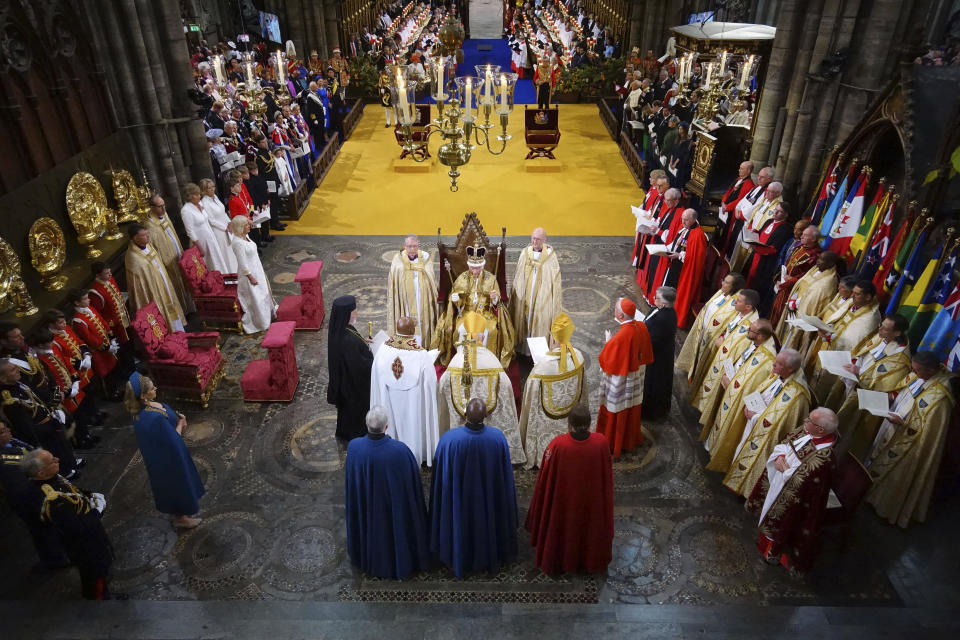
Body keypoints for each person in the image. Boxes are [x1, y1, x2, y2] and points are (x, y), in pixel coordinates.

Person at [429, 398, 518, 577]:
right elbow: (504, 478)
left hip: (458, 501)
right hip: (487, 501)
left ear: (464, 415)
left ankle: (456, 552)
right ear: (485, 415)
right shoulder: (497, 438)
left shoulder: (449, 440)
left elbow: (440, 477)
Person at [865, 351, 954, 528]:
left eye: (917, 370)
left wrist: (904, 424)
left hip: (909, 446)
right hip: (892, 425)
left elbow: (928, 432)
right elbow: (903, 392)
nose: (913, 373)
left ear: (930, 371)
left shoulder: (940, 400)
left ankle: (885, 507)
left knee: (897, 475)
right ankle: (867, 491)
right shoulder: (919, 374)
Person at [744, 408, 839, 574]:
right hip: (779, 482)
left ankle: (772, 552)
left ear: (820, 430)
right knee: (769, 510)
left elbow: (802, 482)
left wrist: (785, 471)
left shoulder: (825, 459)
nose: (804, 421)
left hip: (795, 499)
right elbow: (785, 444)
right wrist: (780, 458)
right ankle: (763, 541)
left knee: (781, 522)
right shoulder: (807, 431)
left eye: (809, 420)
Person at [20, 448, 121, 599]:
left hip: (85, 534)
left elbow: (72, 491)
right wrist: (97, 511)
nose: (57, 459)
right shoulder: (52, 499)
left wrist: (87, 495)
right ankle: (100, 599)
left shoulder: (51, 478)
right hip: (83, 542)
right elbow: (74, 527)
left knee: (96, 569)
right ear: (40, 473)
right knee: (96, 571)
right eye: (52, 461)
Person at [525, 405, 613, 575]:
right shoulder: (601, 443)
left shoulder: (557, 445)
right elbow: (606, 478)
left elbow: (545, 481)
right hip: (591, 504)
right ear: (590, 424)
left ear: (569, 423)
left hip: (563, 504)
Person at [344, 406, 431, 578]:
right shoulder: (400, 451)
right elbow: (412, 487)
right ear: (386, 427)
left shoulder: (354, 448)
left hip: (367, 507)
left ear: (366, 424)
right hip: (393, 508)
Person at [437, 312, 526, 465]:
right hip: (490, 435)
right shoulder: (491, 359)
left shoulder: (457, 360)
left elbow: (444, 382)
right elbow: (505, 385)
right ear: (483, 337)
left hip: (460, 427)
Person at [723, 348, 811, 497]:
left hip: (764, 435)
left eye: (778, 364)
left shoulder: (798, 396)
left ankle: (745, 490)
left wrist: (756, 417)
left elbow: (779, 424)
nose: (773, 365)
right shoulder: (780, 375)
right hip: (753, 420)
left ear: (790, 368)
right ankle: (734, 479)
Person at [125, 372, 204, 529]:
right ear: (143, 395)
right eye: (152, 388)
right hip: (169, 457)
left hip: (160, 455)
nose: (156, 389)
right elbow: (173, 438)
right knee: (178, 484)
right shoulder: (153, 418)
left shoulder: (141, 409)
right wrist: (181, 423)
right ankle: (180, 518)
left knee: (170, 484)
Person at [829, 314, 912, 459]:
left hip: (865, 402)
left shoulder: (901, 360)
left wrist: (860, 372)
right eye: (880, 326)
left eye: (885, 329)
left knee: (849, 431)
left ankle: (836, 456)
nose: (879, 330)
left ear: (897, 333)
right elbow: (862, 355)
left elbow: (884, 386)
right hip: (852, 384)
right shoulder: (882, 338)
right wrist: (854, 364)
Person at [700, 320, 778, 473]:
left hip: (736, 396)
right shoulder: (755, 344)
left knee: (725, 423)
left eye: (752, 330)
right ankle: (711, 444)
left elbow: (754, 384)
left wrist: (732, 383)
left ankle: (717, 451)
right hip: (730, 385)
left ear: (761, 337)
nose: (747, 330)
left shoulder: (768, 360)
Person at [518, 312, 586, 469]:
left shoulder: (542, 366)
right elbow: (583, 391)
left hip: (546, 421)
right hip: (570, 413)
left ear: (553, 339)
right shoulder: (579, 357)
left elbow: (530, 398)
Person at [369, 317, 439, 467]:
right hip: (413, 401)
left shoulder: (383, 349)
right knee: (413, 426)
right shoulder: (421, 355)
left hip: (388, 398)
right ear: (412, 331)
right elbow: (431, 382)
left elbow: (376, 372)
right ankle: (416, 454)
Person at [0, 420, 70, 569]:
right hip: (30, 499)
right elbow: (19, 487)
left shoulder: (13, 442)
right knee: (42, 530)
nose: (8, 431)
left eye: (5, 427)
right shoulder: (5, 460)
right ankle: (56, 560)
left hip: (41, 487)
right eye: (2, 432)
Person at [432, 243, 516, 368]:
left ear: (483, 266)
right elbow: (456, 302)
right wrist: (455, 300)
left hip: (486, 314)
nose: (475, 271)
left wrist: (494, 299)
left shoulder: (491, 279)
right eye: (472, 268)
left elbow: (497, 303)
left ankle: (486, 363)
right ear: (469, 266)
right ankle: (462, 361)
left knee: (491, 330)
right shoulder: (462, 278)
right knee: (460, 330)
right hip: (466, 313)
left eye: (478, 268)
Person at [0, 357, 80, 478]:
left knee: (62, 449)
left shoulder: (19, 385)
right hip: (41, 433)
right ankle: (64, 474)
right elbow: (26, 427)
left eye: (15, 367)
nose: (17, 370)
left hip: (47, 424)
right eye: (12, 370)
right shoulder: (10, 400)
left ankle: (69, 467)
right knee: (54, 455)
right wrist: (45, 432)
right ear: (3, 378)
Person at [595, 298, 654, 458]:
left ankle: (613, 442)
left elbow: (608, 361)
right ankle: (630, 439)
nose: (614, 309)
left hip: (622, 383)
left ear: (620, 315)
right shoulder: (641, 326)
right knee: (631, 409)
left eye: (615, 308)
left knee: (618, 411)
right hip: (636, 380)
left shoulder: (622, 336)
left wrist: (608, 343)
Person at [690, 289, 760, 422]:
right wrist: (722, 337)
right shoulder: (740, 313)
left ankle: (706, 415)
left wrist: (722, 344)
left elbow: (739, 351)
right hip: (720, 353)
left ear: (748, 307)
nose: (734, 302)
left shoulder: (751, 327)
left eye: (738, 301)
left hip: (726, 366)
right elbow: (729, 329)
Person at [805, 280, 882, 402]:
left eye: (857, 294)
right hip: (828, 346)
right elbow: (837, 319)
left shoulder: (871, 318)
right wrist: (827, 328)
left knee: (824, 389)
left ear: (868, 297)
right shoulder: (852, 303)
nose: (852, 296)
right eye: (853, 293)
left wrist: (830, 337)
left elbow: (853, 343)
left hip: (839, 358)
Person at [677, 273, 745, 390]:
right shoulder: (721, 292)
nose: (722, 283)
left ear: (734, 287)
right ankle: (690, 369)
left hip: (712, 338)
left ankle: (695, 379)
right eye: (724, 280)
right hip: (703, 328)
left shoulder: (735, 306)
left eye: (726, 282)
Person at [509, 227, 563, 357]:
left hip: (542, 296)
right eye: (533, 238)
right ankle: (523, 348)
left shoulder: (550, 256)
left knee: (539, 318)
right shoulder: (525, 253)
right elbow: (518, 274)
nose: (534, 241)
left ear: (544, 240)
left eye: (538, 239)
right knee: (524, 318)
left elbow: (554, 279)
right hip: (526, 293)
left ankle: (537, 352)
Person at [125, 223, 187, 332]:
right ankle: (167, 332)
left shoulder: (148, 245)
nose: (148, 237)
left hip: (163, 282)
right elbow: (140, 285)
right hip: (154, 290)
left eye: (147, 234)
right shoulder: (133, 258)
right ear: (135, 238)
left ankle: (177, 330)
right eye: (144, 235)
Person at [327, 296, 373, 441]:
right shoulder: (348, 341)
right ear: (347, 314)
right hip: (353, 387)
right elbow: (360, 367)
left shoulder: (340, 329)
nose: (357, 313)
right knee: (354, 414)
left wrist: (362, 341)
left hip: (344, 384)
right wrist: (374, 359)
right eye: (354, 310)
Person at [776, 254, 842, 352]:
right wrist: (793, 298)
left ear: (831, 264)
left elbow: (814, 300)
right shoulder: (815, 269)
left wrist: (797, 303)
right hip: (793, 308)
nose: (818, 261)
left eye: (822, 260)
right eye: (818, 258)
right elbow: (801, 284)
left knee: (793, 341)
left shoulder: (829, 282)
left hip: (804, 312)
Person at [653, 209, 707, 328]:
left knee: (677, 292)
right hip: (674, 264)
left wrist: (679, 255)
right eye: (682, 219)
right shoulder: (684, 228)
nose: (683, 221)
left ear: (693, 219)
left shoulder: (698, 235)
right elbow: (675, 243)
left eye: (686, 220)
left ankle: (672, 315)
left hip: (684, 269)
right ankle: (664, 310)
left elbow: (695, 257)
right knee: (668, 287)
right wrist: (664, 249)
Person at [144, 194, 194, 314]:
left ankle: (190, 306)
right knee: (175, 284)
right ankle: (182, 311)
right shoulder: (149, 226)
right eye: (160, 206)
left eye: (164, 205)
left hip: (177, 253)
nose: (164, 209)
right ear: (151, 207)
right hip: (167, 262)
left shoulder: (164, 215)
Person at [386, 234, 438, 349]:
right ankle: (406, 345)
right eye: (409, 246)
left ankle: (424, 344)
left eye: (415, 246)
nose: (412, 249)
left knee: (422, 319)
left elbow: (430, 276)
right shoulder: (397, 259)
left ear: (418, 245)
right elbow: (395, 279)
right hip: (405, 300)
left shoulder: (425, 257)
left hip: (422, 297)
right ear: (404, 246)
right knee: (407, 318)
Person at [769, 224, 822, 328]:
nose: (801, 236)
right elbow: (787, 263)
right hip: (783, 285)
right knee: (774, 313)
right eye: (802, 234)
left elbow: (807, 277)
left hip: (793, 291)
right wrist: (779, 279)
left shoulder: (815, 255)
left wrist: (791, 280)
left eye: (805, 235)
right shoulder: (800, 247)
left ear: (813, 239)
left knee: (781, 318)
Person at [229, 216, 275, 333]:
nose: (249, 226)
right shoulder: (238, 243)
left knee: (263, 293)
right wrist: (251, 277)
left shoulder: (245, 237)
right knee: (256, 298)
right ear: (240, 228)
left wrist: (247, 221)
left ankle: (268, 317)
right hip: (249, 275)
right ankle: (261, 322)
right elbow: (243, 264)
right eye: (246, 225)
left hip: (257, 269)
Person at [745, 202, 794, 309]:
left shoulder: (785, 229)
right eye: (775, 209)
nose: (775, 212)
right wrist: (754, 233)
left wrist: (756, 247)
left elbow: (774, 249)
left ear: (786, 215)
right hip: (755, 256)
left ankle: (751, 306)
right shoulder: (769, 221)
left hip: (766, 261)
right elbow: (761, 233)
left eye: (779, 211)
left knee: (757, 285)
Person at [67, 288, 118, 381]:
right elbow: (89, 338)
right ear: (77, 303)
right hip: (98, 351)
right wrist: (106, 347)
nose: (89, 300)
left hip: (107, 343)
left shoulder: (89, 308)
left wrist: (112, 338)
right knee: (105, 373)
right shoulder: (78, 320)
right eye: (85, 299)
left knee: (113, 366)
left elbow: (102, 321)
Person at [642, 287, 678, 420]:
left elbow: (653, 341)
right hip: (659, 353)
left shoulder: (664, 318)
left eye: (656, 297)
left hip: (658, 359)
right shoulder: (662, 310)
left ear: (664, 303)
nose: (653, 298)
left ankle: (650, 413)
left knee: (654, 385)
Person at [726, 167, 774, 262]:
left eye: (762, 177)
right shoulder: (756, 187)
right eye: (759, 176)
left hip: (746, 223)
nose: (759, 179)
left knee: (738, 251)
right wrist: (737, 209)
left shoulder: (767, 192)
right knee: (732, 244)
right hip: (739, 219)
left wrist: (741, 214)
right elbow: (743, 200)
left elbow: (754, 208)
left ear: (769, 179)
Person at [180, 182, 230, 274]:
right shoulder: (186, 210)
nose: (199, 196)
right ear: (189, 196)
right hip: (202, 240)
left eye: (199, 194)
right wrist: (199, 247)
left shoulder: (199, 204)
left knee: (218, 259)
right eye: (197, 195)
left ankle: (224, 277)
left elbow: (206, 220)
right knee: (210, 262)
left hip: (211, 236)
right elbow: (190, 231)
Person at [199, 178, 239, 273]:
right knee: (224, 252)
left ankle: (235, 270)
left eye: (213, 186)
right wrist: (225, 227)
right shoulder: (205, 202)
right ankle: (228, 272)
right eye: (209, 188)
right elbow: (211, 220)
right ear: (204, 190)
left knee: (231, 251)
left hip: (226, 227)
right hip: (218, 231)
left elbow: (223, 211)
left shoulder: (215, 197)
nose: (212, 189)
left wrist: (229, 222)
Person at [88, 262, 131, 347]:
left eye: (110, 272)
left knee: (130, 337)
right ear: (98, 275)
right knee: (124, 345)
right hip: (114, 325)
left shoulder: (110, 280)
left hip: (125, 317)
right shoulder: (95, 292)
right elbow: (98, 313)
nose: (110, 274)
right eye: (107, 273)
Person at [717, 161, 756, 249]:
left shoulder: (749, 185)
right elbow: (728, 191)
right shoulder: (738, 179)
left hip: (731, 213)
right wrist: (723, 202)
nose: (739, 170)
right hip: (724, 210)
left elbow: (740, 200)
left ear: (748, 171)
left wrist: (727, 207)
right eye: (740, 168)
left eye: (742, 169)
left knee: (726, 235)